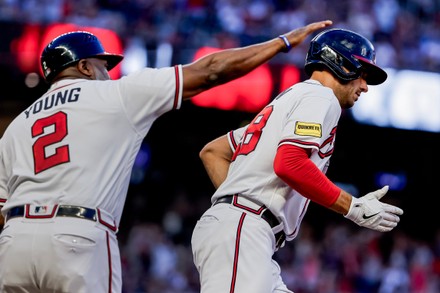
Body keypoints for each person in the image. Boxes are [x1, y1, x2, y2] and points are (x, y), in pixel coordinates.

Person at [0, 20, 332, 292]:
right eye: (104, 65)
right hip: (76, 236)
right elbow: (211, 70)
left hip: (14, 242)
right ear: (85, 66)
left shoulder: (18, 124)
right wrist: (281, 42)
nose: (109, 72)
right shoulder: (113, 94)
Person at [191, 28, 404, 293]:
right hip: (244, 228)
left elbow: (213, 151)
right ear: (340, 63)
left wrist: (236, 197)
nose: (364, 86)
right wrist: (352, 206)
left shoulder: (292, 100)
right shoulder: (320, 96)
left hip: (247, 231)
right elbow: (289, 163)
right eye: (362, 74)